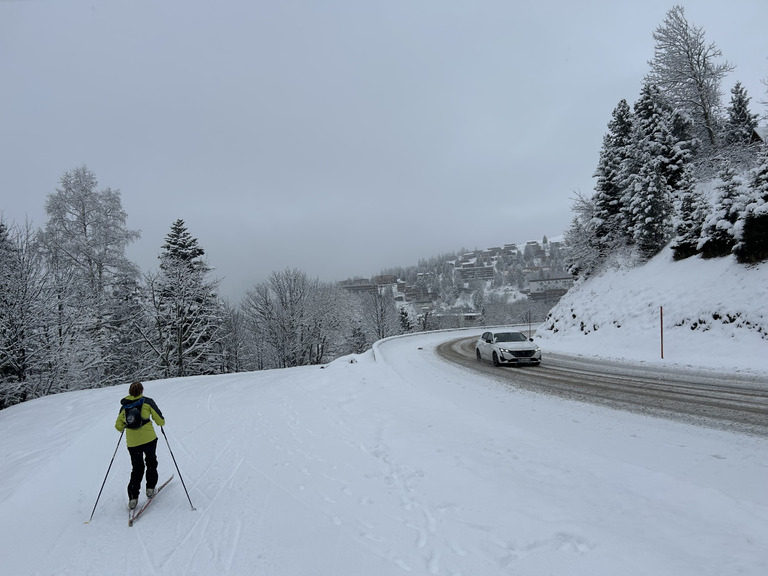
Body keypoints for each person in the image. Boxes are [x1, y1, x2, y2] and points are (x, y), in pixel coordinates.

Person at [115, 381, 166, 510]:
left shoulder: (125, 406)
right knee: (151, 462)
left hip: (133, 443)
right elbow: (160, 421)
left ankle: (133, 498)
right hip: (149, 439)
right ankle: (150, 489)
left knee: (137, 468)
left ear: (129, 391)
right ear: (142, 390)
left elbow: (118, 426)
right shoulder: (147, 402)